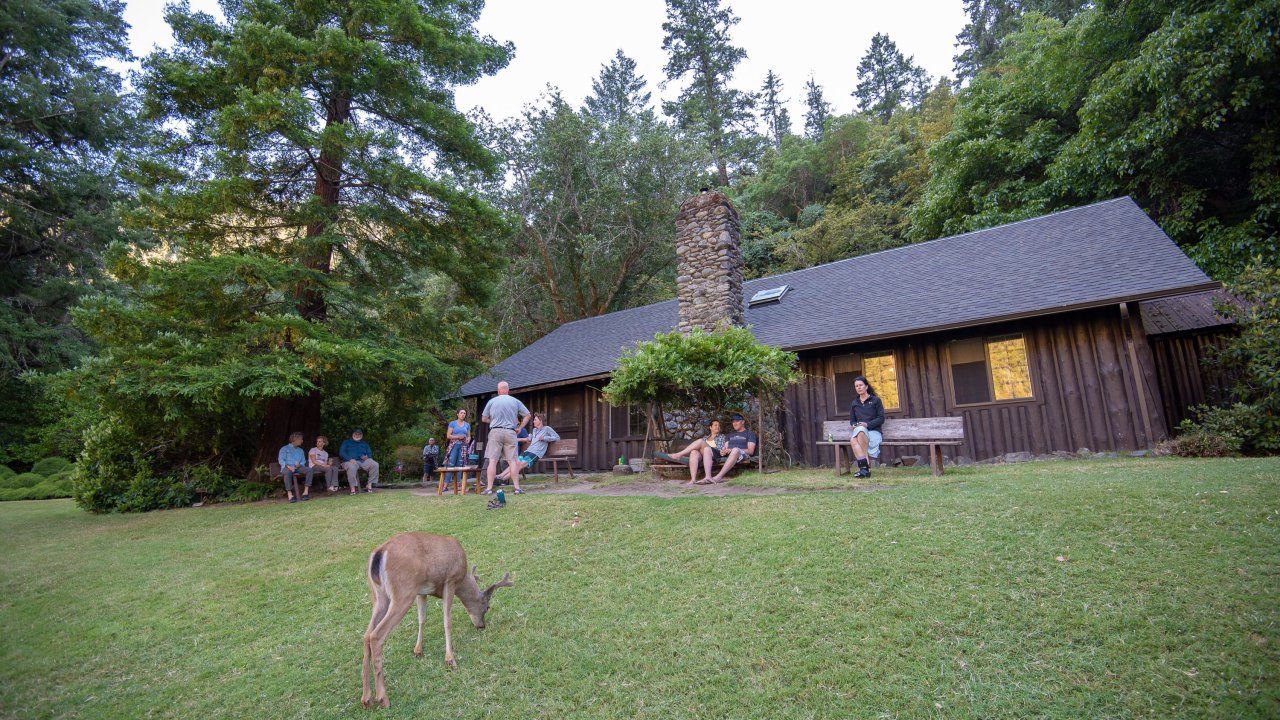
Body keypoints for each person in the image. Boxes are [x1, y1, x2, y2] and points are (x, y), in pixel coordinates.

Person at [480, 381, 530, 495]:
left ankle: (488, 488)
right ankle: (517, 488)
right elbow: (527, 415)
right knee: (512, 461)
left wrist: (493, 421)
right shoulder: (515, 401)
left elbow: (484, 418)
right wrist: (520, 427)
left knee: (492, 460)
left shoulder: (492, 401)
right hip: (510, 431)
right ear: (508, 390)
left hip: (495, 431)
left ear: (498, 391)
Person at [493, 413, 559, 490]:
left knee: (520, 464)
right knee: (515, 463)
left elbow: (557, 437)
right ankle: (500, 476)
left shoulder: (547, 429)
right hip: (528, 451)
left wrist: (545, 438)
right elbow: (529, 439)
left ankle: (502, 479)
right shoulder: (534, 430)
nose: (533, 421)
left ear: (540, 421)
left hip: (535, 453)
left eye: (535, 420)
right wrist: (518, 439)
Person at [655, 419, 727, 484]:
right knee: (694, 452)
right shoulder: (705, 438)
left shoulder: (722, 437)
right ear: (710, 427)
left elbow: (720, 449)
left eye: (719, 426)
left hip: (714, 454)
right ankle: (693, 479)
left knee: (701, 442)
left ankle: (679, 454)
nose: (718, 427)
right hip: (704, 455)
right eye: (715, 425)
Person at [848, 375, 885, 479]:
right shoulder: (854, 403)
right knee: (859, 431)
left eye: (860, 385)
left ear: (866, 387)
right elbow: (852, 421)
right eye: (856, 386)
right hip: (860, 431)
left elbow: (881, 418)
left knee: (854, 439)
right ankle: (865, 469)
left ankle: (864, 468)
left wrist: (867, 424)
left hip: (874, 431)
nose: (858, 387)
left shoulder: (876, 400)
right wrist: (855, 425)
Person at [704, 413, 758, 484]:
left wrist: (733, 450)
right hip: (729, 454)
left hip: (741, 454)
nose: (734, 423)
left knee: (735, 449)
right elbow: (725, 447)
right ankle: (707, 477)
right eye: (733, 422)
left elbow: (750, 451)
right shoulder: (729, 435)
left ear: (743, 422)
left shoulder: (750, 434)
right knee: (706, 449)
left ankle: (718, 477)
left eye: (737, 421)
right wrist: (723, 451)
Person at [340, 428, 379, 493]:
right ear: (352, 434)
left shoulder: (364, 444)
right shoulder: (346, 442)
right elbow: (342, 452)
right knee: (351, 467)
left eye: (359, 434)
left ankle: (369, 485)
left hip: (362, 461)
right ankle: (353, 489)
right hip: (349, 461)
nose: (357, 435)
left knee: (375, 464)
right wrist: (349, 459)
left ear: (361, 435)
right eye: (356, 434)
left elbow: (369, 453)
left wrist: (367, 457)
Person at [278, 431, 313, 502]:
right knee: (287, 473)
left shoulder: (301, 450)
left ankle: (305, 492)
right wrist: (289, 467)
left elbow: (303, 461)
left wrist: (299, 465)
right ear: (295, 440)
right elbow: (281, 460)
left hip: (298, 468)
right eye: (301, 439)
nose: (302, 441)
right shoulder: (284, 449)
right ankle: (290, 494)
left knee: (309, 470)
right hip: (287, 467)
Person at [442, 408, 471, 492]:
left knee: (460, 465)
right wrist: (458, 437)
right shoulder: (452, 423)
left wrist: (468, 439)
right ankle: (445, 485)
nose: (463, 414)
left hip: (463, 446)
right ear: (457, 414)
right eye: (461, 413)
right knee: (451, 464)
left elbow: (469, 435)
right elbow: (448, 435)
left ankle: (458, 485)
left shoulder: (467, 425)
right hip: (454, 445)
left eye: (464, 413)